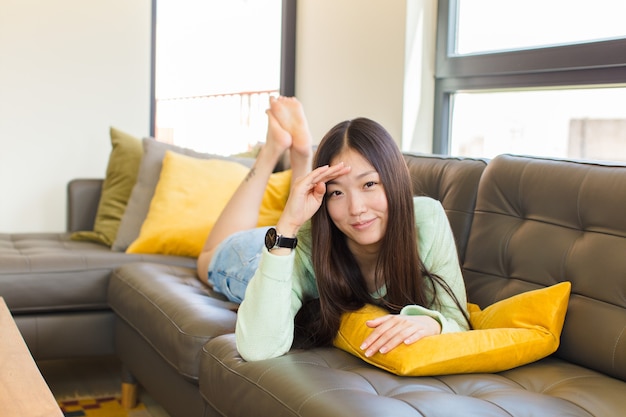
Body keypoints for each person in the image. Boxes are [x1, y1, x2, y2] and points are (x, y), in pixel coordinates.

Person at [196, 96, 470, 362]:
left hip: (296, 238)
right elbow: (257, 347)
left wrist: (433, 324)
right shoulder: (304, 240)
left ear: (394, 180)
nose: (356, 209)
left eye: (369, 184)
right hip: (271, 254)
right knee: (206, 258)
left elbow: (458, 322)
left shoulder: (427, 219)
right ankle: (271, 151)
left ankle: (301, 157)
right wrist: (288, 224)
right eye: (336, 193)